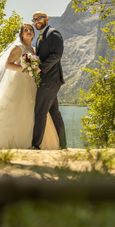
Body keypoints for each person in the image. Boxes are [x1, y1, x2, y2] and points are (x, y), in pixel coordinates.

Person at [30, 11, 67, 150]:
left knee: (40, 111)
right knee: (54, 113)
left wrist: (41, 68)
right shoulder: (41, 36)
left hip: (50, 80)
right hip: (48, 80)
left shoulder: (53, 34)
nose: (36, 21)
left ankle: (35, 145)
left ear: (47, 19)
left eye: (39, 18)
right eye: (34, 19)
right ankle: (63, 145)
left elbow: (57, 55)